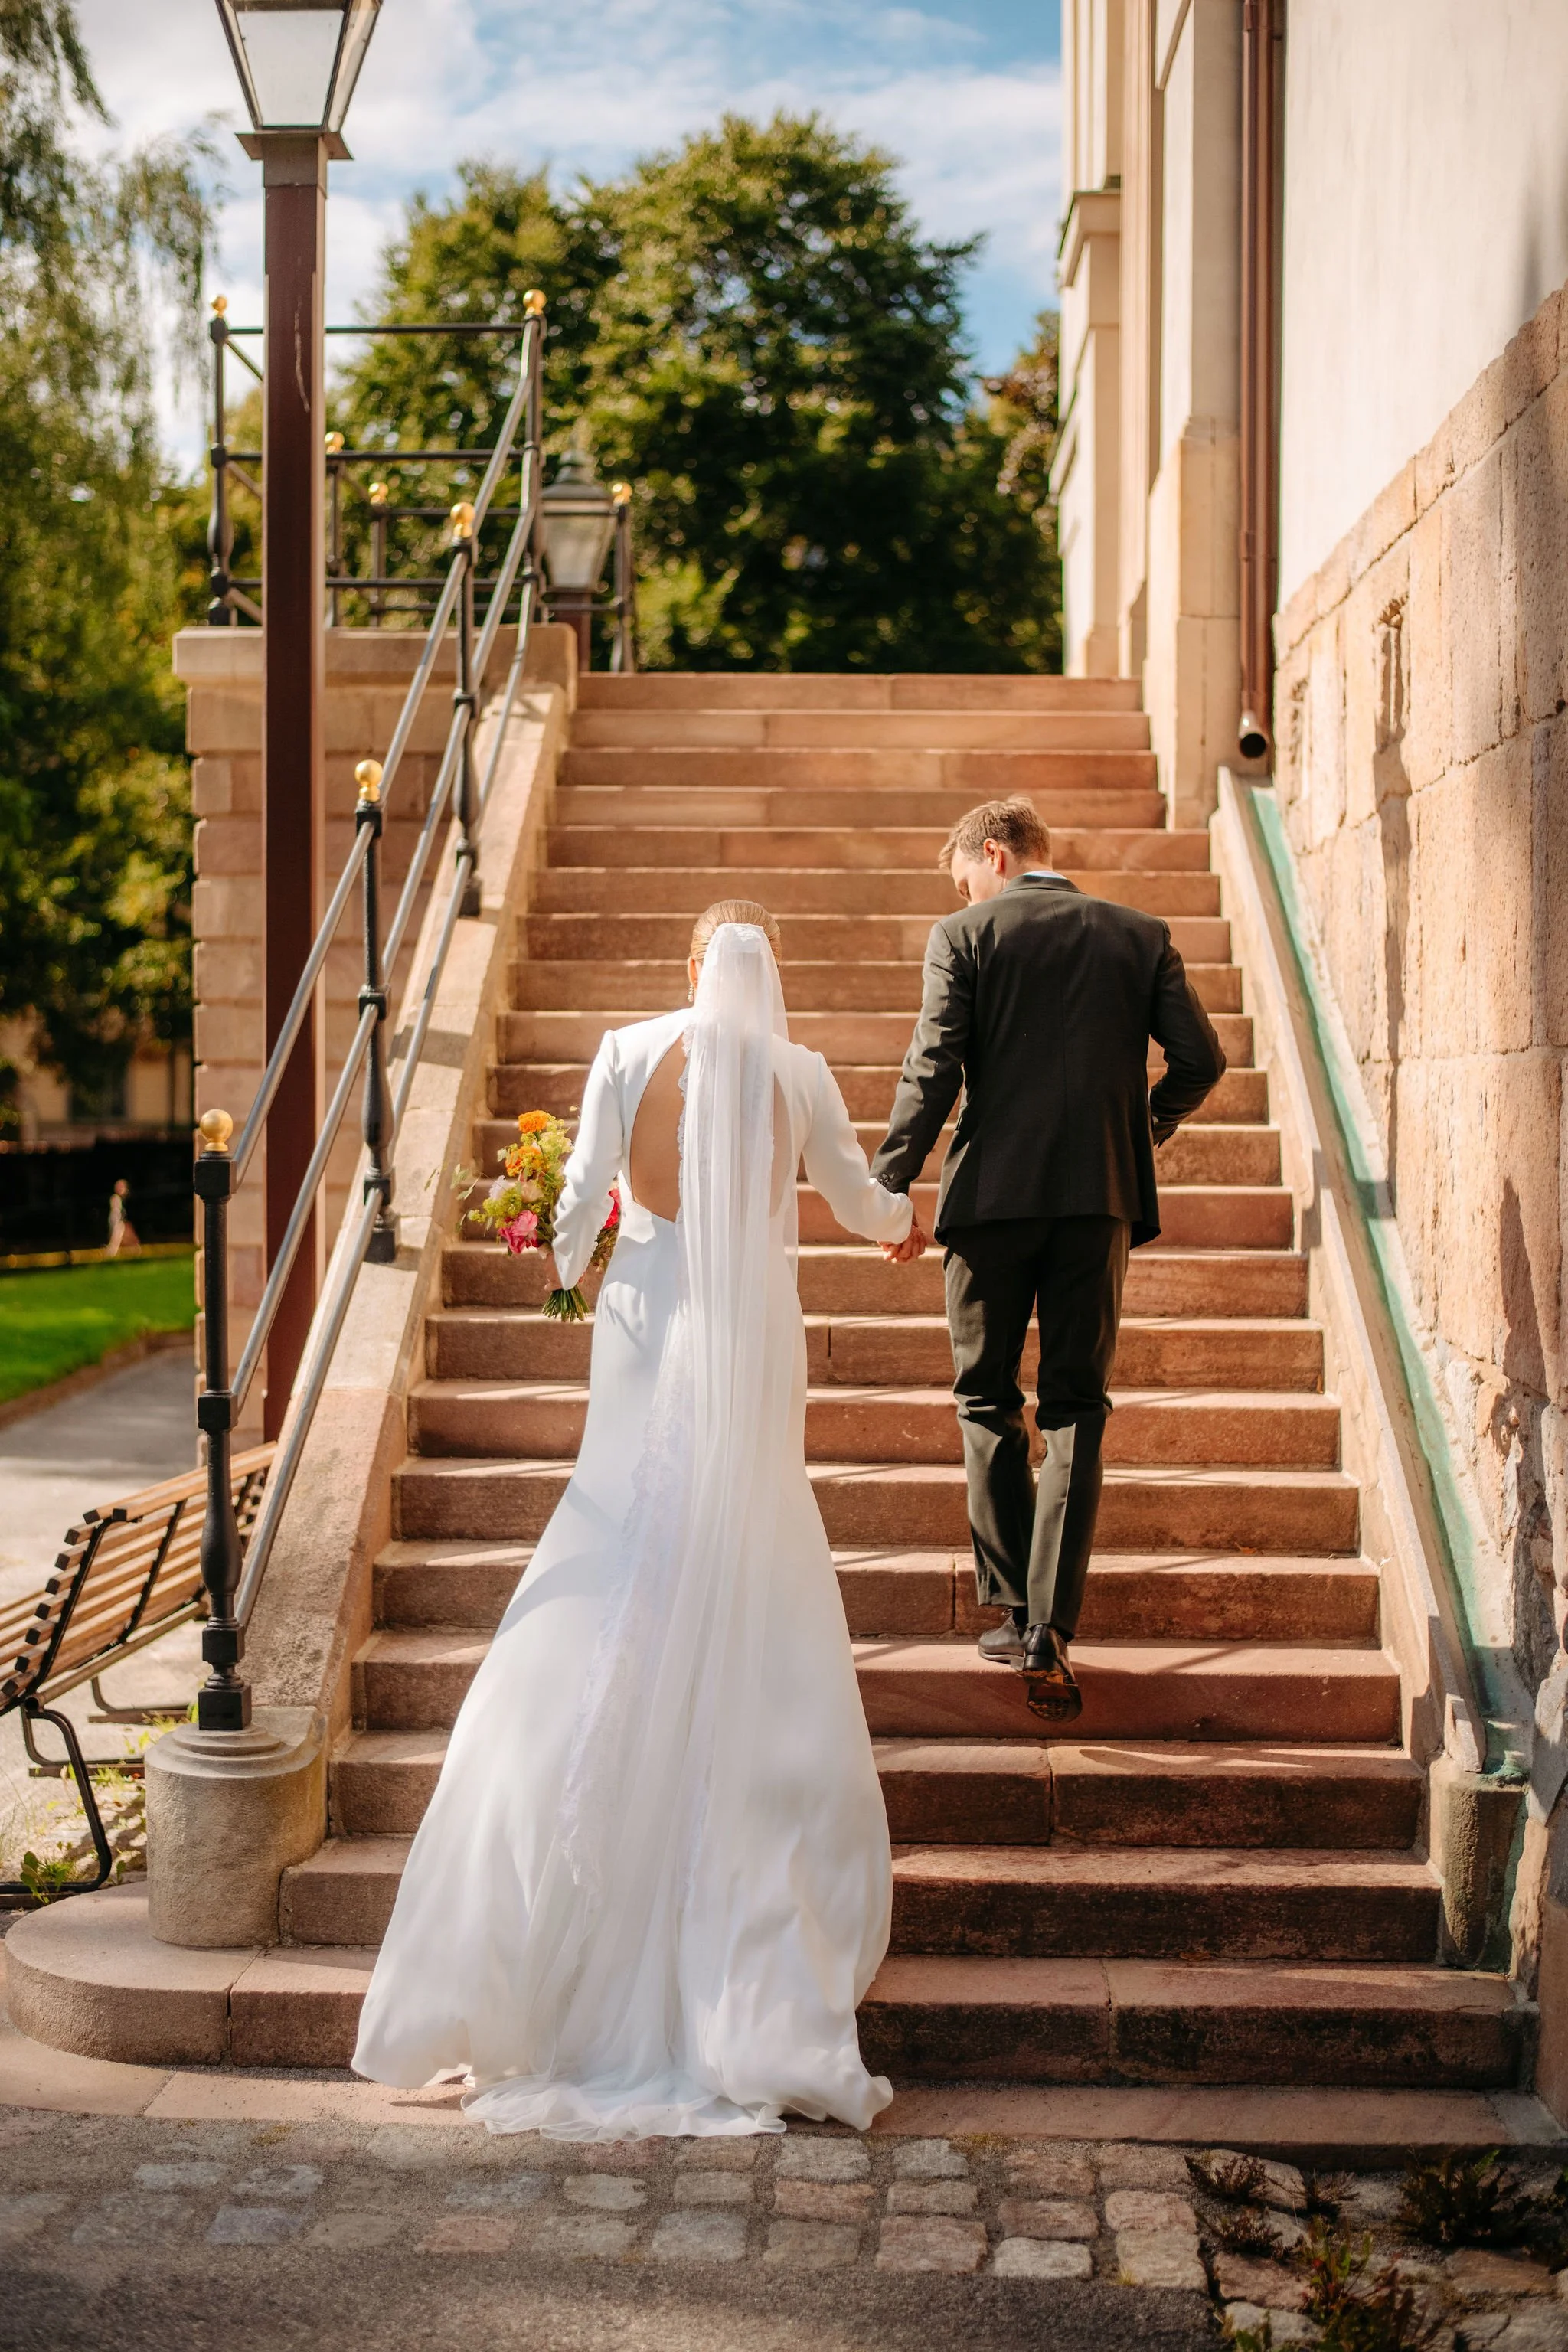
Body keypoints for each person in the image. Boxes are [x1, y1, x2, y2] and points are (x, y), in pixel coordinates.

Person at [353, 900, 915, 2140]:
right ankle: (747, 1963)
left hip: (648, 1311)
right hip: (757, 1326)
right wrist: (897, 1228)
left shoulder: (621, 1048)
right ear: (766, 976)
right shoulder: (799, 1069)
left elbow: (580, 1205)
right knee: (749, 1528)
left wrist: (560, 1274)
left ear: (687, 965)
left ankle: (535, 1963)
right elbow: (851, 1194)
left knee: (622, 1541)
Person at [871, 797, 1225, 1723]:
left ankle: (1012, 1608)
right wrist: (1136, 1133)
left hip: (988, 1203)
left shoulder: (963, 935)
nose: (962, 893)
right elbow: (1200, 1060)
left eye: (963, 877)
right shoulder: (1138, 935)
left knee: (985, 1399)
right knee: (1075, 1406)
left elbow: (932, 1066)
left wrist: (889, 1184)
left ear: (991, 854)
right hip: (1098, 1202)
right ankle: (1051, 1627)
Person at [105, 1179, 139, 1258]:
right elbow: (116, 1214)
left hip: (123, 1222)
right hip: (118, 1222)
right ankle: (112, 1252)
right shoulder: (115, 1198)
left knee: (128, 1236)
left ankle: (133, 1251)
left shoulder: (125, 1200)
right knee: (118, 1235)